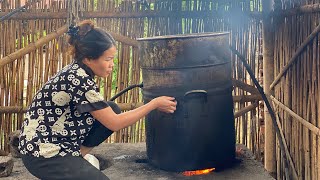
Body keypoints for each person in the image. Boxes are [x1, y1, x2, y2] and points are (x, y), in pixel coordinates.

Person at [18, 20, 177, 180]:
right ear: (88, 58)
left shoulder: (78, 71)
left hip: (59, 142)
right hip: (42, 152)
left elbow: (108, 117)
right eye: (107, 59)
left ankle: (76, 159)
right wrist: (153, 104)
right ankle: (67, 165)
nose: (111, 65)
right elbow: (115, 123)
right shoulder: (78, 80)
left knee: (112, 107)